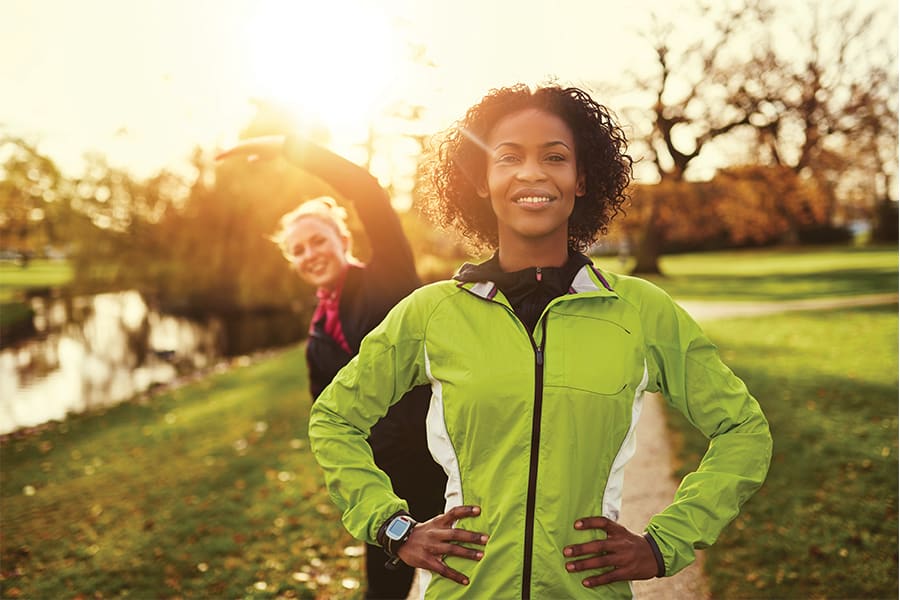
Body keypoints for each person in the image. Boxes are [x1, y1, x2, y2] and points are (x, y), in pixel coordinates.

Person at [308, 83, 772, 599]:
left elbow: (743, 430)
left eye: (555, 157)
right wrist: (393, 527)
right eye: (508, 157)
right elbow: (334, 420)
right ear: (481, 181)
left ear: (581, 179)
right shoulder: (431, 312)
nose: (532, 173)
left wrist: (665, 544)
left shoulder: (640, 312)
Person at [217, 134, 447, 599]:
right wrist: (366, 497)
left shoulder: (389, 278)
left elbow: (366, 188)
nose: (310, 254)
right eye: (297, 250)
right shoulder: (317, 339)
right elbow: (330, 425)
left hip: (446, 467)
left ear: (343, 239)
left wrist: (288, 147)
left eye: (317, 240)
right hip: (386, 493)